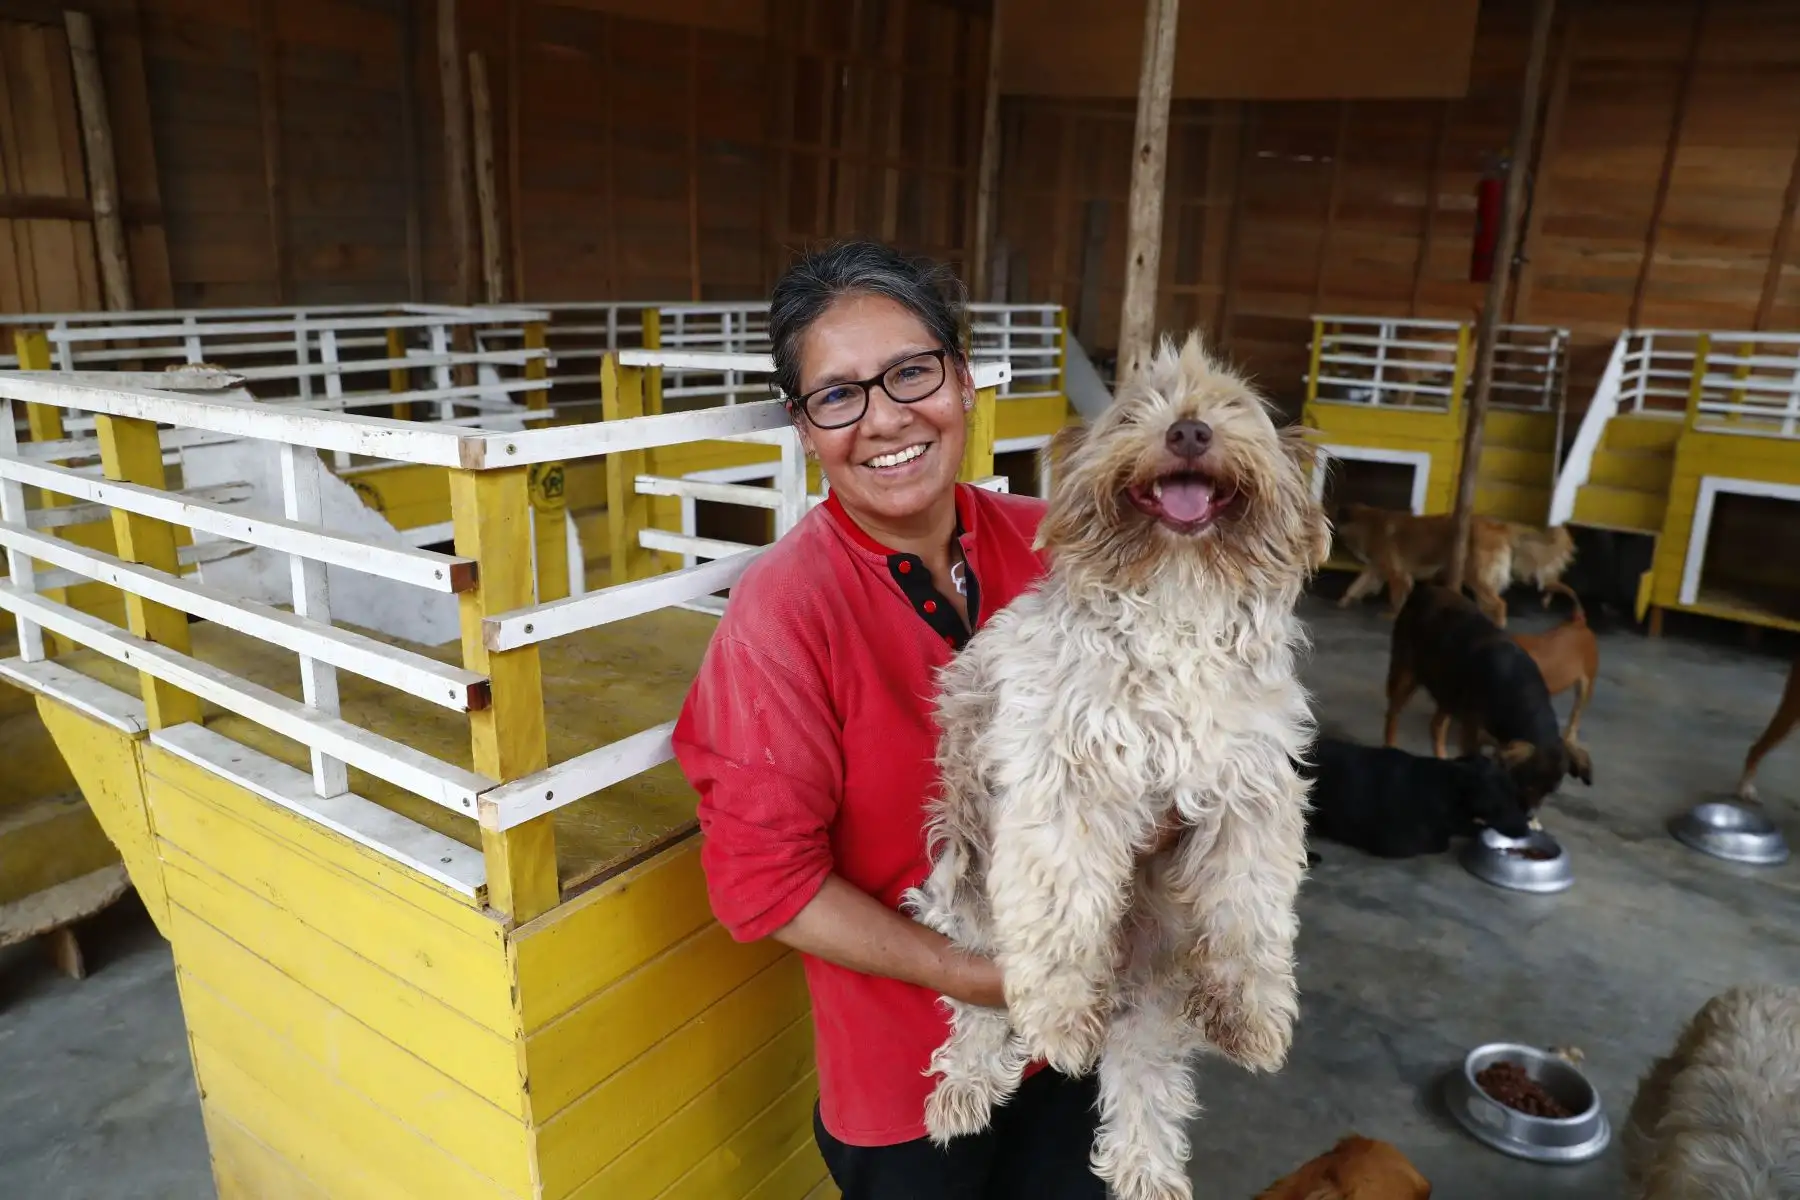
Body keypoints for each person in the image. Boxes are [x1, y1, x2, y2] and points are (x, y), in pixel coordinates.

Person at [671, 239, 1113, 1199]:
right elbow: (765, 884)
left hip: (1077, 1025)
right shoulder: (785, 614)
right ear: (805, 428)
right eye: (838, 395)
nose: (884, 418)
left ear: (962, 378)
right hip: (914, 1087)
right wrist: (976, 975)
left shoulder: (1054, 545)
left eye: (912, 371)